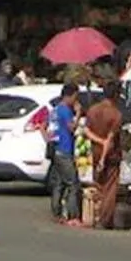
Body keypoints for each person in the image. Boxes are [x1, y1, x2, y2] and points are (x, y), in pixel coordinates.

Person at [84, 83, 125, 230]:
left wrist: (98, 143)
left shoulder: (92, 110)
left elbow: (86, 131)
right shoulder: (116, 114)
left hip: (94, 151)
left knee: (98, 184)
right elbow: (110, 139)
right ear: (115, 95)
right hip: (110, 155)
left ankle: (95, 215)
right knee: (110, 188)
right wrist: (103, 156)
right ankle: (104, 219)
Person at [47, 83, 84, 225]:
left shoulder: (54, 110)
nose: (76, 100)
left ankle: (56, 213)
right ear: (70, 95)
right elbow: (72, 128)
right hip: (64, 149)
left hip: (56, 149)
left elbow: (46, 127)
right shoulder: (65, 110)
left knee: (59, 183)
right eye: (75, 97)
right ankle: (73, 215)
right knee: (73, 183)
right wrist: (78, 113)